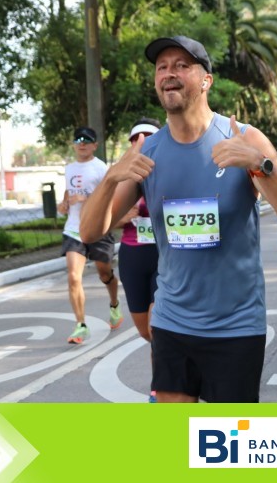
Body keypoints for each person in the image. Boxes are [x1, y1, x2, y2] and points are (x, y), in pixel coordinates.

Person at [79, 35, 277, 403]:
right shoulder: (147, 152)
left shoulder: (243, 138)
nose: (168, 74)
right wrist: (110, 179)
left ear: (206, 81)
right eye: (161, 67)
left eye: (181, 66)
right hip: (172, 320)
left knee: (227, 438)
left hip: (236, 325)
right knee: (176, 437)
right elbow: (90, 231)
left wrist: (260, 164)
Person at [58, 126, 123, 344]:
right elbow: (69, 193)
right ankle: (81, 325)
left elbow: (109, 197)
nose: (82, 143)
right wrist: (64, 204)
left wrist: (86, 200)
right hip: (74, 229)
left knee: (104, 273)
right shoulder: (69, 169)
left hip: (98, 228)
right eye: (78, 140)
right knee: (73, 276)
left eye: (87, 140)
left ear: (95, 145)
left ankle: (114, 303)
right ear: (73, 144)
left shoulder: (101, 168)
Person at [115, 118, 161, 402]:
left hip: (163, 255)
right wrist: (124, 216)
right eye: (136, 138)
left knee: (158, 327)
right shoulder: (122, 176)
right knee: (145, 331)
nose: (141, 142)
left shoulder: (167, 171)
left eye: (148, 136)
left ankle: (159, 387)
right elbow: (104, 223)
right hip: (132, 255)